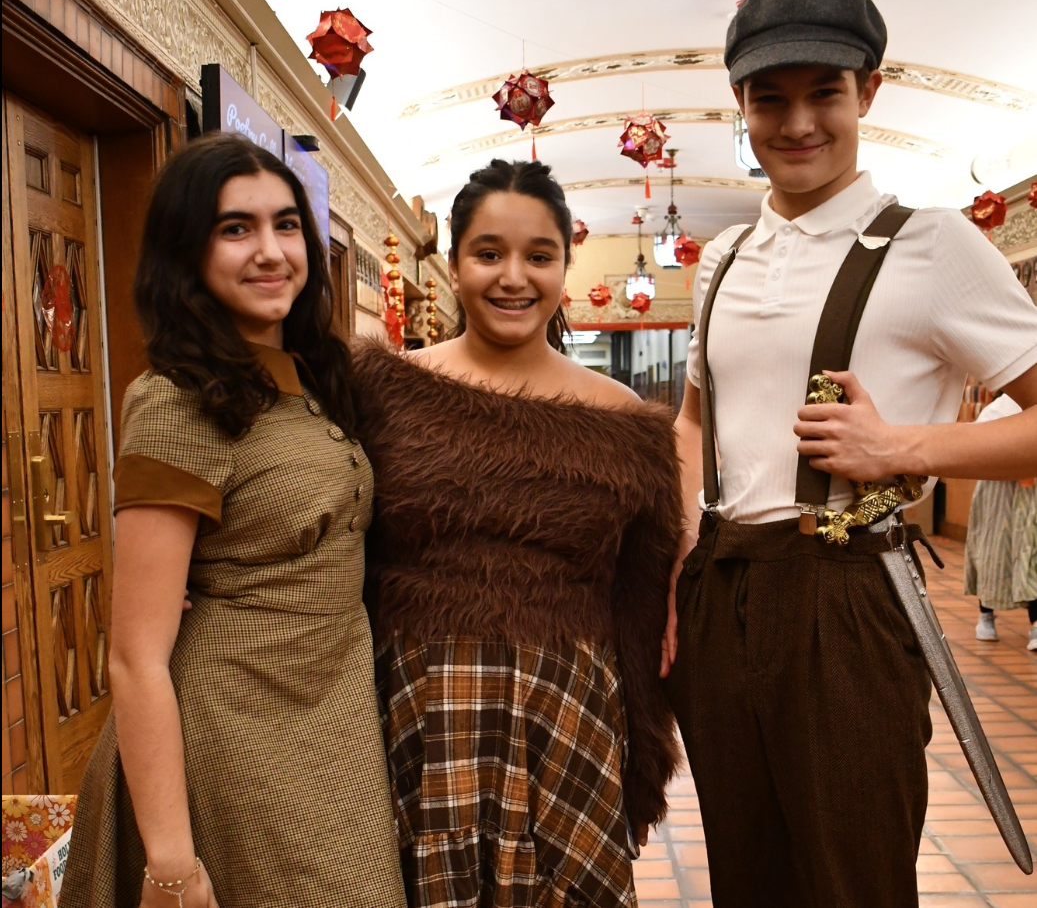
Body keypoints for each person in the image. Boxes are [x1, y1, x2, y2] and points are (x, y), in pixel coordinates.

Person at [664, 0, 1037, 906]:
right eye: (769, 98)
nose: (796, 122)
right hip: (718, 588)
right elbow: (694, 422)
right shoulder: (722, 257)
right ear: (739, 105)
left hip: (846, 591)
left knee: (853, 878)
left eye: (821, 92)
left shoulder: (934, 243)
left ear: (867, 92)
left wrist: (901, 447)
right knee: (745, 873)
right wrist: (675, 566)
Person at [63, 133, 406, 908]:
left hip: (330, 715)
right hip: (235, 726)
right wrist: (172, 865)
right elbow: (136, 658)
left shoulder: (312, 380)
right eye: (234, 229)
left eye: (286, 225)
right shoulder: (178, 400)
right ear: (187, 251)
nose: (271, 251)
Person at [352, 158, 682, 908]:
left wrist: (644, 749)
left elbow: (639, 603)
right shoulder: (383, 391)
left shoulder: (624, 423)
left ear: (565, 265)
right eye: (488, 253)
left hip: (566, 713)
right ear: (455, 264)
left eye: (539, 256)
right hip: (412, 710)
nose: (513, 277)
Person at [965, 394, 1037, 650]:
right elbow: (976, 447)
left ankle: (1036, 623)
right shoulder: (997, 410)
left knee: (1032, 553)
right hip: (997, 492)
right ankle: (986, 616)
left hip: (1032, 491)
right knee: (993, 550)